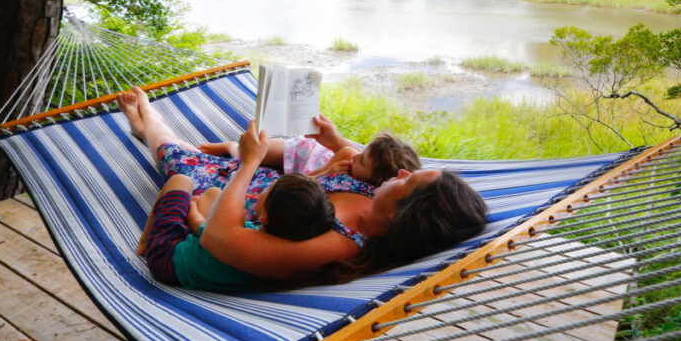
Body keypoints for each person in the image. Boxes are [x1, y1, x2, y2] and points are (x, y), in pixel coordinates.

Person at [118, 87, 487, 282]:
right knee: (200, 157)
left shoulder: (339, 244)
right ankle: (149, 127)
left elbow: (218, 240)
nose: (403, 174)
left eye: (408, 182)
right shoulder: (378, 196)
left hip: (234, 204)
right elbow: (361, 159)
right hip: (262, 187)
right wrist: (336, 142)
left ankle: (148, 119)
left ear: (403, 214)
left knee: (180, 161)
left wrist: (248, 164)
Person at [138, 172, 335, 291]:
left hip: (167, 257)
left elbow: (203, 229)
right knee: (214, 194)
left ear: (265, 215)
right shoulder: (276, 255)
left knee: (181, 181)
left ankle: (145, 243)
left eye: (268, 189)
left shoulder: (242, 239)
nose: (263, 190)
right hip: (208, 262)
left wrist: (193, 209)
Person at [198, 125, 421, 187]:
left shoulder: (368, 192)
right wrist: (328, 171)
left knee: (253, 155)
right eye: (361, 151)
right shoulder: (347, 155)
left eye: (362, 161)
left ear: (376, 181)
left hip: (304, 169)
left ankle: (232, 150)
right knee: (254, 150)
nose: (355, 156)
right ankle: (230, 147)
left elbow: (306, 184)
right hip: (304, 152)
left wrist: (328, 175)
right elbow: (310, 175)